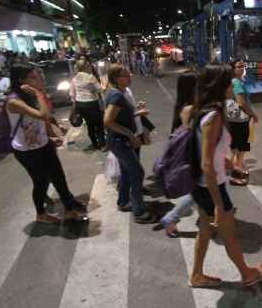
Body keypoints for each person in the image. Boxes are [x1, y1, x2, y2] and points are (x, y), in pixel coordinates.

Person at [189, 62, 262, 288]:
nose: (233, 85)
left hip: (202, 184)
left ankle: (197, 275)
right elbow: (206, 163)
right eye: (229, 81)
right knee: (229, 233)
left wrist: (227, 162)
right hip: (210, 186)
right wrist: (217, 202)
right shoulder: (213, 116)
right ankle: (246, 273)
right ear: (220, 85)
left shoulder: (203, 109)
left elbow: (209, 151)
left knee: (205, 231)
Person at [6, 64, 86, 224]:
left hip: (43, 144)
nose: (41, 78)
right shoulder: (14, 101)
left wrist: (52, 133)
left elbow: (45, 117)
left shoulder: (32, 96)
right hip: (27, 151)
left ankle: (69, 208)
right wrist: (38, 94)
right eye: (35, 76)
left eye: (39, 75)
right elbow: (42, 114)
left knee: (59, 176)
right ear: (23, 81)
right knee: (41, 181)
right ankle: (40, 214)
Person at [104, 64, 156, 223]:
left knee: (127, 171)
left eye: (128, 74)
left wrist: (136, 112)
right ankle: (139, 212)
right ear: (116, 79)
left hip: (121, 140)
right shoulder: (116, 96)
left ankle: (123, 201)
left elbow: (122, 116)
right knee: (137, 172)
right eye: (125, 75)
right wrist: (129, 135)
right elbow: (107, 121)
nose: (130, 76)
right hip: (120, 141)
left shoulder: (120, 93)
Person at [159, 72, 199, 238]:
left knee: (198, 191)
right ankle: (171, 217)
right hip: (193, 155)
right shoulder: (189, 108)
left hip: (187, 155)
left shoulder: (182, 104)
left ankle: (173, 218)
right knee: (198, 191)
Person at [227, 60, 258, 185]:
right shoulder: (236, 82)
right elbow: (241, 103)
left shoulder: (234, 81)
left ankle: (232, 170)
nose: (242, 68)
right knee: (241, 150)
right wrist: (253, 114)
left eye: (243, 66)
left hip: (233, 120)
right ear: (233, 69)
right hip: (240, 120)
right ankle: (236, 176)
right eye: (239, 66)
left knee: (235, 148)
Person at [71, 59, 105, 150]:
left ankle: (94, 144)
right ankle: (102, 144)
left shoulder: (74, 78)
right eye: (89, 66)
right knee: (99, 124)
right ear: (85, 67)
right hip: (91, 103)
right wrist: (105, 84)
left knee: (89, 124)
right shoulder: (90, 77)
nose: (90, 67)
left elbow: (72, 94)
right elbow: (100, 90)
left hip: (80, 104)